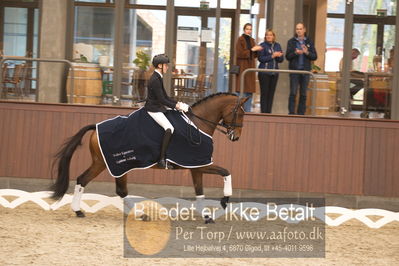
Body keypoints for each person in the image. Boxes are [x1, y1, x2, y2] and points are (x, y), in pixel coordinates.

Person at [144, 54, 189, 169]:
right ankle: (161, 159)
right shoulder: (155, 79)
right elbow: (162, 99)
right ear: (160, 65)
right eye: (166, 65)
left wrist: (178, 104)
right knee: (169, 128)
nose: (168, 67)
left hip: (158, 107)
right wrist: (176, 106)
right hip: (153, 109)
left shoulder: (158, 77)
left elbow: (165, 97)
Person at [286, 23, 317, 115]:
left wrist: (306, 52)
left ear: (304, 30)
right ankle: (291, 113)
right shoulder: (291, 42)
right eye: (297, 29)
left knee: (303, 94)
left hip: (305, 72)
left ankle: (301, 114)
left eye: (300, 29)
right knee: (293, 93)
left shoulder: (309, 42)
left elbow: (314, 56)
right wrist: (295, 53)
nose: (299, 31)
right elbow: (287, 56)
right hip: (294, 72)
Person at [235, 23, 263, 112]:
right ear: (244, 29)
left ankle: (247, 112)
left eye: (250, 29)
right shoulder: (240, 39)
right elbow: (239, 53)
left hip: (250, 68)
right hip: (243, 67)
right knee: (241, 91)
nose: (249, 31)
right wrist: (252, 50)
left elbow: (254, 55)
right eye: (247, 29)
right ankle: (239, 111)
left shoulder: (252, 40)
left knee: (249, 91)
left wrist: (257, 50)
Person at [258, 29, 284, 113]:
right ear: (265, 37)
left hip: (274, 73)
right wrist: (272, 56)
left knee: (271, 94)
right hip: (264, 73)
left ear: (273, 36)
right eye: (267, 35)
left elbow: (281, 60)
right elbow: (261, 58)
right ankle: (263, 113)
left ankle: (268, 113)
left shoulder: (277, 45)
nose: (269, 36)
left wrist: (278, 56)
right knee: (264, 94)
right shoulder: (262, 45)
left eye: (270, 35)